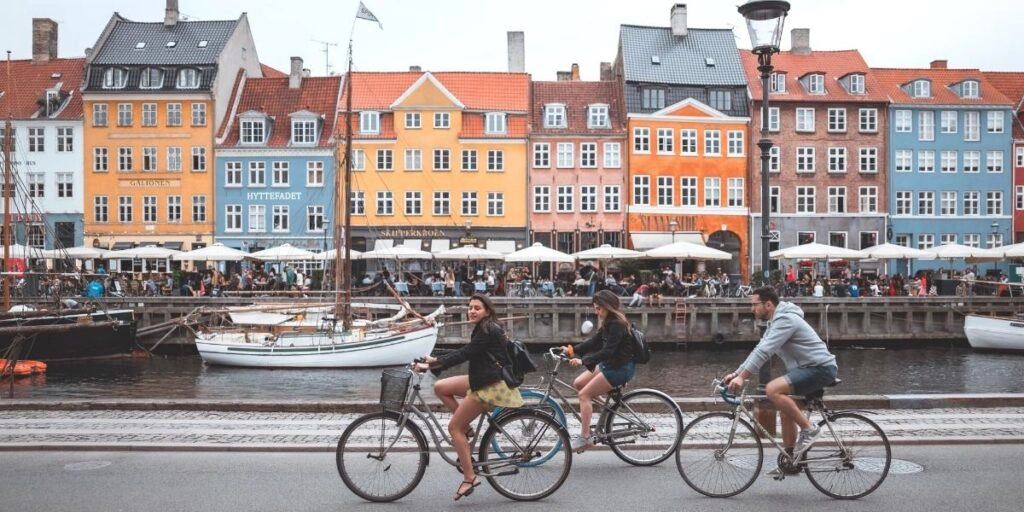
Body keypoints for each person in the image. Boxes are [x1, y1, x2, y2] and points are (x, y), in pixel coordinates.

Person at [414, 294, 522, 501]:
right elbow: (467, 351)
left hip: (490, 386)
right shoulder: (485, 327)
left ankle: (470, 477)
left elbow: (465, 354)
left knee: (453, 428)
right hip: (481, 378)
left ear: (487, 311)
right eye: (470, 307)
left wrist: (431, 365)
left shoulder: (487, 330)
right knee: (440, 387)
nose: (472, 311)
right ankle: (468, 429)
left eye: (477, 308)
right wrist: (436, 359)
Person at [725, 287, 838, 476]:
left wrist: (742, 378)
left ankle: (809, 430)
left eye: (754, 304)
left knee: (772, 389)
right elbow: (759, 348)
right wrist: (736, 373)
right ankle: (791, 461)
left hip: (820, 368)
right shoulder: (775, 322)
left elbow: (764, 352)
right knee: (786, 411)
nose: (752, 309)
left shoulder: (785, 320)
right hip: (807, 369)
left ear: (768, 304)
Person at [563, 289, 635, 452]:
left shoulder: (617, 324)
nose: (596, 312)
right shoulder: (609, 322)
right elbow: (594, 342)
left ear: (608, 307)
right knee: (579, 383)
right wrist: (572, 350)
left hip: (620, 368)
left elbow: (608, 351)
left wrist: (583, 361)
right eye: (595, 308)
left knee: (584, 395)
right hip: (610, 365)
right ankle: (606, 408)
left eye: (598, 308)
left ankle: (585, 438)